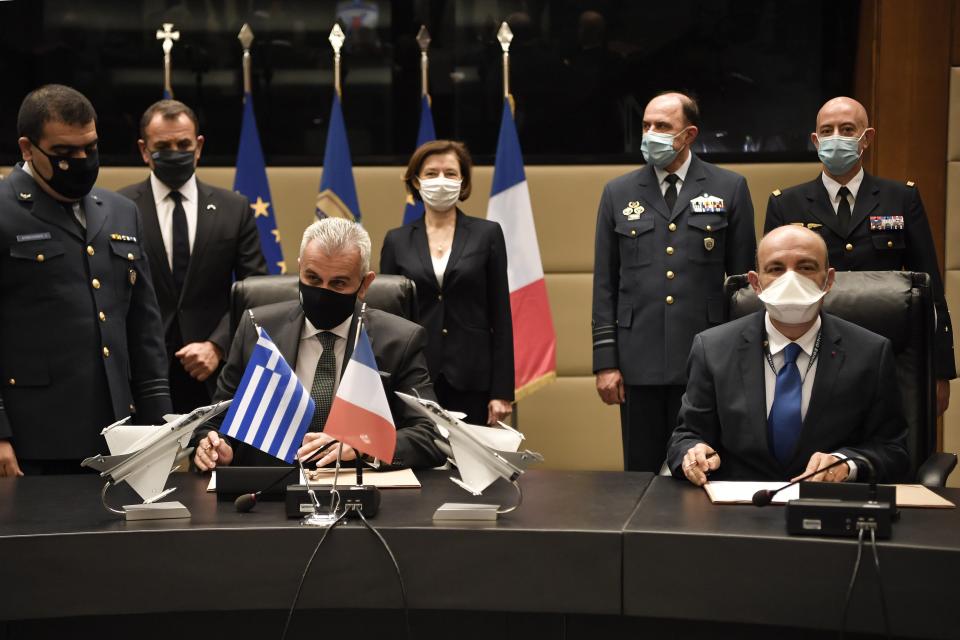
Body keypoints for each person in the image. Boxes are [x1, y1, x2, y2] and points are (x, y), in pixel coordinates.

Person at [0, 85, 171, 476]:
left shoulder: (120, 211)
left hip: (119, 436)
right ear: (28, 148)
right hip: (33, 441)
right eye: (64, 153)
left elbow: (143, 329)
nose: (79, 160)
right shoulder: (4, 211)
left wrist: (162, 423)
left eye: (89, 149)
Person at [193, 217, 446, 470]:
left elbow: (432, 436)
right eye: (312, 279)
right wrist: (213, 447)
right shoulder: (258, 329)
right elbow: (215, 421)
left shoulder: (398, 340)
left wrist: (364, 447)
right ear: (300, 269)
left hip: (356, 491)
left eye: (338, 283)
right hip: (266, 493)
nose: (323, 292)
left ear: (364, 284)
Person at [667, 225, 909, 486]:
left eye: (805, 267)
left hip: (828, 505)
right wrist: (694, 453)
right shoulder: (712, 348)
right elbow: (686, 436)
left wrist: (846, 465)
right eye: (776, 269)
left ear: (828, 280)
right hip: (736, 510)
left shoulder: (871, 352)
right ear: (755, 283)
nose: (790, 279)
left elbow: (893, 452)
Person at [592, 91, 756, 472]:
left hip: (706, 356)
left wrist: (741, 358)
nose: (650, 134)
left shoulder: (729, 187)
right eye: (647, 125)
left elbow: (743, 286)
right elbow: (605, 284)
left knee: (701, 468)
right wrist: (605, 362)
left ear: (689, 134)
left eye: (663, 126)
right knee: (640, 472)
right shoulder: (618, 192)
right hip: (638, 358)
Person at [764, 96, 956, 415]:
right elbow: (772, 292)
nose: (835, 137)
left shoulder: (901, 198)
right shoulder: (786, 205)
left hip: (889, 353)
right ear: (815, 140)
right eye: (827, 131)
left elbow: (930, 289)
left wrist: (940, 369)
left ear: (866, 138)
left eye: (847, 129)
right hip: (812, 353)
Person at [118, 100, 267, 414]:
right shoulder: (119, 208)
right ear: (144, 151)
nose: (175, 151)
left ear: (198, 147)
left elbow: (256, 291)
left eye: (183, 144)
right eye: (163, 146)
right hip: (141, 373)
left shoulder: (234, 208)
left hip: (213, 372)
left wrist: (218, 345)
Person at [380, 140, 514, 426]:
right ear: (416, 181)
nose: (441, 180)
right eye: (431, 173)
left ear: (463, 181)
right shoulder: (396, 240)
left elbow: (501, 316)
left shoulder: (487, 234)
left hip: (473, 378)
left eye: (450, 173)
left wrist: (502, 391)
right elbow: (387, 320)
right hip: (414, 377)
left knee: (473, 468)